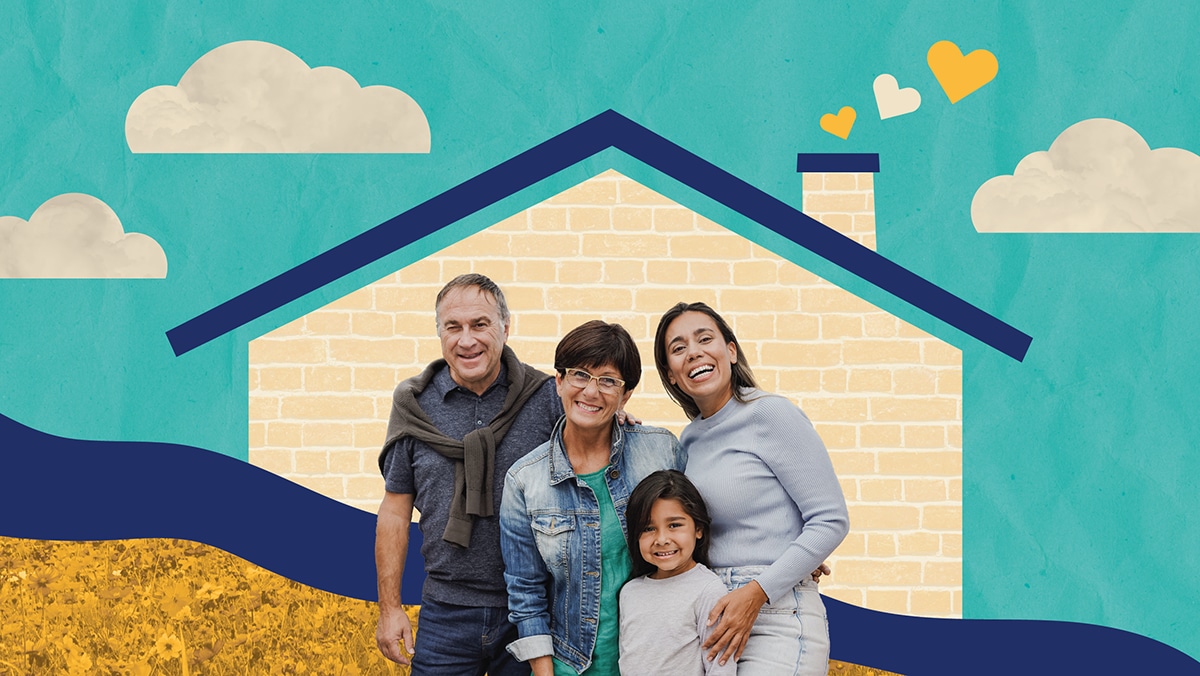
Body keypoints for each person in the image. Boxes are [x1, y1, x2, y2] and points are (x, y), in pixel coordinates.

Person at [374, 273, 563, 675]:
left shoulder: (547, 397)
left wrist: (614, 416)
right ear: (440, 333)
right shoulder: (414, 405)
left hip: (530, 611)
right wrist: (389, 608)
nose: (467, 340)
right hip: (445, 612)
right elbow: (394, 511)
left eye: (480, 324)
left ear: (506, 328)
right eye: (453, 327)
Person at [654, 302, 850, 676]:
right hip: (715, 611)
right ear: (673, 375)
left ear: (730, 350)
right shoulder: (690, 439)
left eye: (704, 338)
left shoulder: (771, 414)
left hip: (777, 613)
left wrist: (759, 589)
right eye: (678, 348)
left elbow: (830, 520)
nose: (693, 351)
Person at [499, 320, 686, 676]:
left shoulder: (661, 452)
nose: (591, 391)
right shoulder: (525, 480)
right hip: (570, 665)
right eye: (580, 375)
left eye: (608, 380)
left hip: (657, 660)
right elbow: (526, 592)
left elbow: (704, 533)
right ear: (559, 382)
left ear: (625, 394)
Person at [618, 469, 736, 676]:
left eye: (674, 525)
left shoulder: (707, 589)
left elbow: (720, 667)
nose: (661, 539)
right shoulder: (630, 591)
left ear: (698, 529)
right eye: (648, 528)